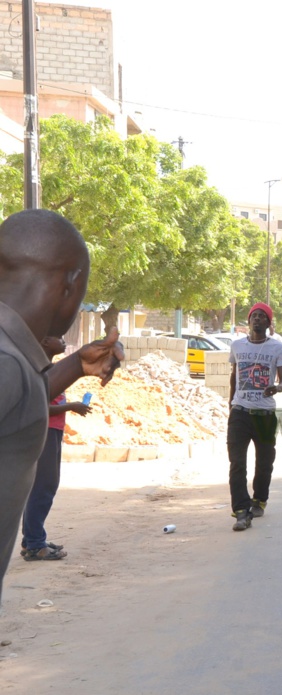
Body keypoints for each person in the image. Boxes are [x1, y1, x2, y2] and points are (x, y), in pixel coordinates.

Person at [0, 209, 123, 603]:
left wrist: (76, 365)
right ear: (71, 285)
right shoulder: (5, 360)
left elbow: (18, 405)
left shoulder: (13, 361)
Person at [20, 336, 93, 561]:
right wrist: (71, 406)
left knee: (44, 486)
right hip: (45, 429)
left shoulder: (49, 368)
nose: (63, 340)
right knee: (44, 486)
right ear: (43, 342)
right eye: (57, 337)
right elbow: (38, 405)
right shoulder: (37, 367)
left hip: (53, 429)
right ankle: (34, 544)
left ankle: (32, 539)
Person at [227, 303, 282, 531]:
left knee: (264, 463)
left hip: (264, 415)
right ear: (249, 320)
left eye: (263, 316)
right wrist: (230, 406)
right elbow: (234, 377)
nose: (258, 319)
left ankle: (259, 499)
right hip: (240, 413)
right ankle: (241, 512)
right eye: (254, 316)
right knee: (237, 464)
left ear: (268, 323)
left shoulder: (277, 348)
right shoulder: (237, 346)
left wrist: (277, 388)